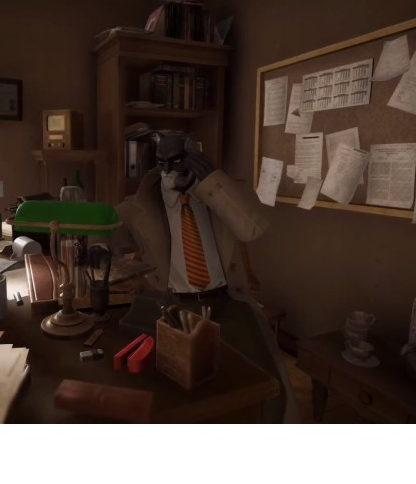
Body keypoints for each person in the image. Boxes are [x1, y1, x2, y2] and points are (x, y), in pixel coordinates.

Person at [115, 134, 297, 422]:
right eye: (160, 163)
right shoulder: (141, 202)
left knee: (267, 386)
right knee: (179, 393)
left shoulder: (222, 194)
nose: (167, 171)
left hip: (227, 301)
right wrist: (102, 248)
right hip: (172, 306)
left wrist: (211, 179)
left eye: (175, 161)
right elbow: (107, 230)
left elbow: (253, 229)